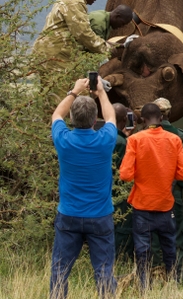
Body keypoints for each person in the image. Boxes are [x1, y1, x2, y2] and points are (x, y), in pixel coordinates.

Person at [50, 76, 117, 299]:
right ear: (94, 120)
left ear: (72, 118)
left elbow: (56, 115)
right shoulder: (105, 140)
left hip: (69, 214)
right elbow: (111, 117)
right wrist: (101, 92)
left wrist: (74, 91)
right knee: (104, 271)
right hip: (100, 215)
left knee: (60, 271)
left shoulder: (64, 140)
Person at [119, 102, 183, 289]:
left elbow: (125, 175)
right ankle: (173, 285)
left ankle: (144, 287)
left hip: (142, 206)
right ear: (161, 118)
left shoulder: (135, 140)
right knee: (170, 248)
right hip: (166, 205)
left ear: (142, 119)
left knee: (143, 251)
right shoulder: (174, 140)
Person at [33, 0, 111, 84]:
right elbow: (83, 33)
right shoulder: (74, 2)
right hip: (56, 54)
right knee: (65, 93)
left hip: (52, 52)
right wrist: (106, 48)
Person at [152, 97, 183, 278]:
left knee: (152, 236)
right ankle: (179, 275)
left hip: (149, 195)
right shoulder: (180, 136)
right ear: (169, 113)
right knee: (175, 235)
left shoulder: (141, 136)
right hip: (173, 193)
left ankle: (154, 274)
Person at [111, 103, 134, 261]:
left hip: (104, 192)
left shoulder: (104, 137)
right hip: (120, 193)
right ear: (126, 119)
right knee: (123, 229)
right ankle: (122, 260)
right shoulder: (122, 143)